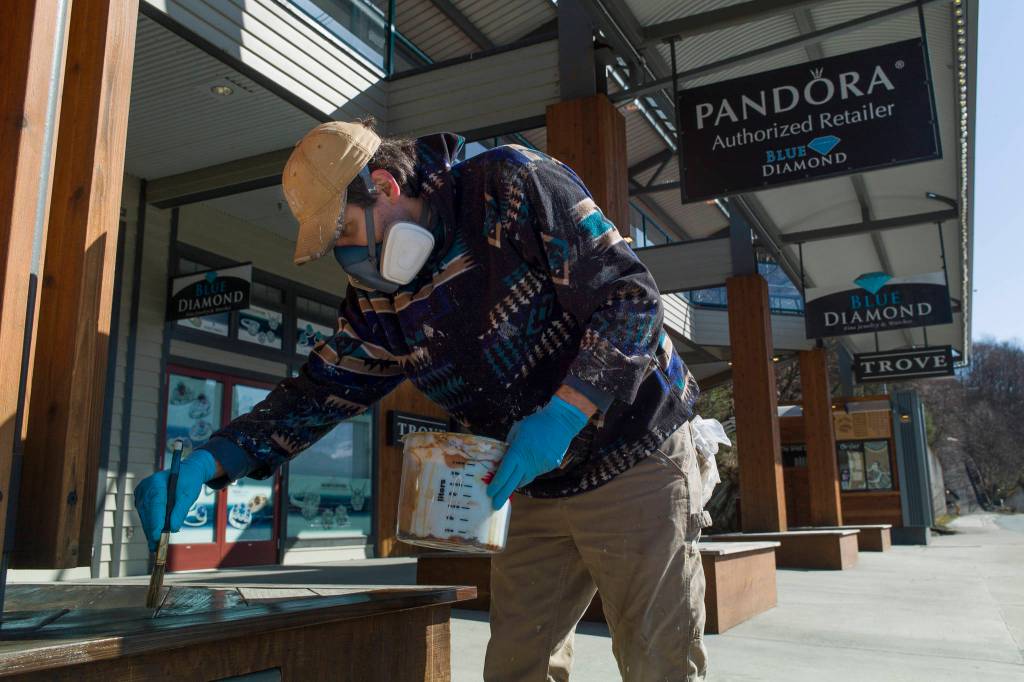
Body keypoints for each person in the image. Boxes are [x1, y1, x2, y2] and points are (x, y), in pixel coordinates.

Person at [135, 119, 709, 681]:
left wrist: (564, 413)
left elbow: (631, 301)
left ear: (383, 187)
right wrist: (215, 458)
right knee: (516, 664)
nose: (348, 256)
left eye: (343, 232)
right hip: (528, 481)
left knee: (657, 660)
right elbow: (319, 390)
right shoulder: (379, 305)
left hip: (635, 451)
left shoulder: (511, 184)